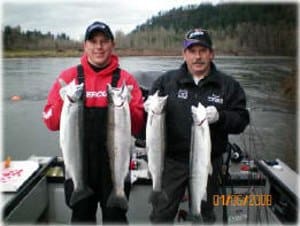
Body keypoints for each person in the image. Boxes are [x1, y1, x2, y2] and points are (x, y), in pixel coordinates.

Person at [42, 21, 144, 224]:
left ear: (112, 45)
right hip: (78, 165)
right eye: (93, 41)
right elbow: (51, 123)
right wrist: (62, 103)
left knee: (115, 217)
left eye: (104, 41)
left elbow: (139, 127)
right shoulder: (68, 78)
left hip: (114, 167)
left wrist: (129, 106)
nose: (99, 47)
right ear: (85, 45)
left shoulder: (125, 81)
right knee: (81, 217)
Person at [149, 28, 250, 223]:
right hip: (172, 163)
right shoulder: (166, 82)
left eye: (203, 51)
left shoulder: (228, 86)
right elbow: (148, 121)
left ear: (211, 53)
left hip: (209, 162)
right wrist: (149, 110)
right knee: (161, 214)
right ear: (184, 54)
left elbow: (241, 120)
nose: (198, 57)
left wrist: (220, 117)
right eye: (192, 51)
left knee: (205, 213)